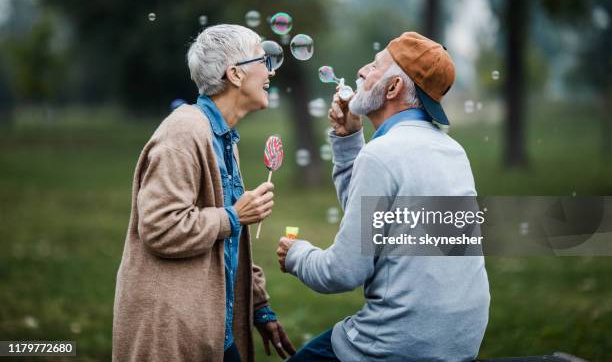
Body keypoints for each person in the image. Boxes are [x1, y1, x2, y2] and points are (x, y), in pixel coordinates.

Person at [277, 32, 490, 361]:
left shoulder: (383, 154)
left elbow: (342, 272)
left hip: (399, 344)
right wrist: (349, 140)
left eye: (375, 66)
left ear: (393, 88)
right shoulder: (453, 150)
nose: (361, 71)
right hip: (459, 339)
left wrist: (296, 255)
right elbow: (369, 227)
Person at [113, 24, 295, 362]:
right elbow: (160, 228)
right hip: (172, 329)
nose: (271, 71)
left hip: (215, 326)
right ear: (236, 74)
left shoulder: (223, 137)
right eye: (263, 60)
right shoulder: (183, 134)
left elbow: (230, 240)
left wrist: (259, 307)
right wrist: (233, 215)